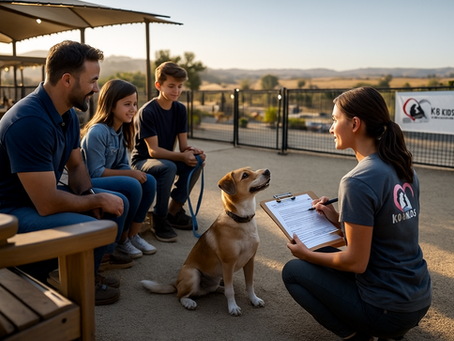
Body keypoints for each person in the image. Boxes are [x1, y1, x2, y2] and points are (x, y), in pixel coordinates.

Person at [282, 87, 431, 341]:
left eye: (334, 119)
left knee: (293, 271)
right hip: (417, 297)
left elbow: (356, 262)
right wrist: (336, 217)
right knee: (320, 252)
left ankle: (356, 336)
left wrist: (305, 254)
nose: (330, 128)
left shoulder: (357, 180)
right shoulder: (404, 167)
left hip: (386, 309)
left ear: (354, 124)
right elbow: (384, 234)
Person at [0, 40, 129, 305]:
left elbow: (77, 165)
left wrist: (89, 194)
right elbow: (46, 203)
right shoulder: (29, 122)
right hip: (9, 212)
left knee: (117, 204)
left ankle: (81, 273)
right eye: (93, 80)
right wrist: (94, 202)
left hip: (34, 198)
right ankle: (45, 276)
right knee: (94, 225)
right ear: (67, 80)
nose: (96, 88)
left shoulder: (67, 114)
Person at [130, 61, 206, 242]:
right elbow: (154, 151)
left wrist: (193, 152)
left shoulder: (180, 109)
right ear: (159, 85)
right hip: (143, 161)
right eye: (171, 86)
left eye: (179, 86)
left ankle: (174, 210)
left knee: (197, 161)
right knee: (169, 167)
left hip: (166, 159)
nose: (176, 91)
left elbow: (183, 147)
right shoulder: (147, 112)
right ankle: (160, 217)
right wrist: (181, 156)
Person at [81, 79, 157, 258]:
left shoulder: (120, 130)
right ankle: (122, 241)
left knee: (149, 181)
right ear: (111, 105)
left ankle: (132, 235)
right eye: (127, 104)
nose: (133, 109)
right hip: (89, 183)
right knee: (132, 185)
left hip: (105, 177)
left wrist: (132, 172)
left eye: (135, 104)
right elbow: (95, 172)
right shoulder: (98, 132)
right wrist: (130, 173)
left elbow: (122, 164)